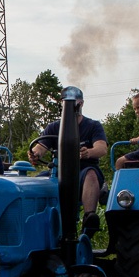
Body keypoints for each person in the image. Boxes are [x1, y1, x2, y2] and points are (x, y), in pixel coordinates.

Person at [28, 86, 108, 236]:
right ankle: (33, 223)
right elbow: (41, 147)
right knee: (35, 183)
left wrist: (88, 152)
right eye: (65, 102)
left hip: (83, 169)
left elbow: (102, 148)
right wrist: (35, 154)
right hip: (58, 171)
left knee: (91, 174)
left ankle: (89, 218)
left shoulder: (93, 126)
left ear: (80, 104)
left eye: (72, 103)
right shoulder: (54, 127)